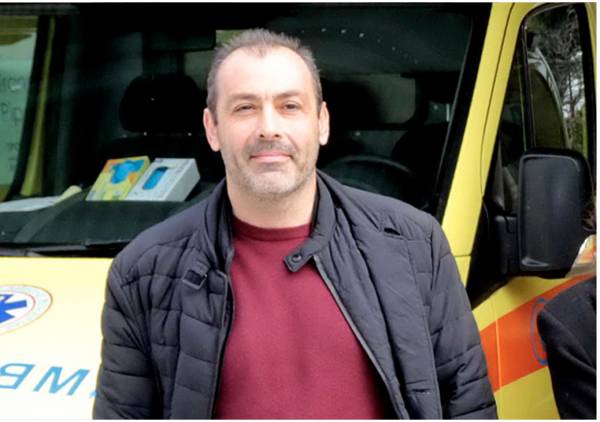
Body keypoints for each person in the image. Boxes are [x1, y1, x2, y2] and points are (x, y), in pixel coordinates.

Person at [93, 29, 496, 419]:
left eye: (289, 106)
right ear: (212, 129)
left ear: (321, 123)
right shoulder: (143, 273)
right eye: (245, 108)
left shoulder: (414, 245)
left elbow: (466, 405)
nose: (269, 128)